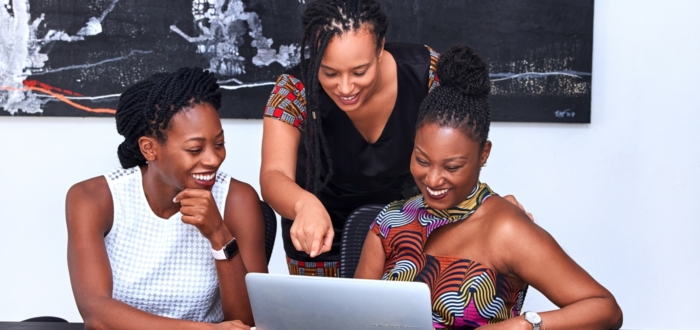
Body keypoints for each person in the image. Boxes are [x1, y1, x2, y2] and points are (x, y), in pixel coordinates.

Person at [354, 46, 623, 329]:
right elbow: (354, 319)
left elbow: (605, 309)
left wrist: (523, 325)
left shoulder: (505, 228)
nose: (432, 179)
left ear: (484, 154)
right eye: (422, 160)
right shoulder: (390, 221)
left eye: (452, 167)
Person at [260, 0, 528, 276]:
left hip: (407, 232)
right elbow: (273, 175)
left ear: (380, 49)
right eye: (329, 73)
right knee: (323, 319)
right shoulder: (293, 90)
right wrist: (303, 205)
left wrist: (487, 206)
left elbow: (459, 150)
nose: (345, 87)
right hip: (318, 237)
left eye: (359, 71)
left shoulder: (427, 74)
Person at [65, 67, 266, 329]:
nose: (213, 159)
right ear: (149, 148)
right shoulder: (93, 199)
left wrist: (219, 235)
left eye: (219, 144)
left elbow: (249, 320)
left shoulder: (237, 199)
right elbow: (97, 313)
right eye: (195, 149)